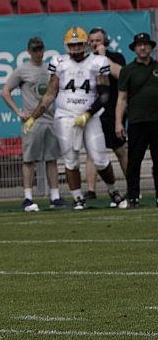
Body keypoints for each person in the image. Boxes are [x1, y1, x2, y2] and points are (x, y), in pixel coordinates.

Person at [33, 27, 118, 210]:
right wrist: (34, 116)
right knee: (70, 160)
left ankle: (113, 191)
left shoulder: (98, 62)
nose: (76, 48)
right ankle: (78, 197)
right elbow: (50, 93)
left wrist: (88, 113)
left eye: (79, 44)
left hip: (90, 116)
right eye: (72, 45)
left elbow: (104, 94)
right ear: (66, 45)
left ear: (85, 44)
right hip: (66, 115)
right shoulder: (59, 62)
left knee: (100, 158)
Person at [0, 35, 63, 211]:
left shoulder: (49, 69)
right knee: (29, 159)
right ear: (29, 51)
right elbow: (5, 91)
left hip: (49, 118)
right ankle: (28, 196)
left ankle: (55, 195)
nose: (38, 53)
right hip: (32, 120)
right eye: (35, 50)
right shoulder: (22, 70)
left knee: (51, 158)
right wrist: (18, 112)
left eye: (40, 49)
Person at [114, 31, 157, 208]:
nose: (143, 48)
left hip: (156, 120)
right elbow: (122, 98)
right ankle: (133, 196)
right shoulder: (128, 70)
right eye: (139, 45)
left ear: (151, 47)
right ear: (134, 48)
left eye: (145, 44)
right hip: (137, 121)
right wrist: (118, 122)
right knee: (134, 161)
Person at [86, 28, 128, 202]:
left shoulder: (115, 57)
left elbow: (120, 74)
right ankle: (91, 191)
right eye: (92, 41)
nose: (95, 44)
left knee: (120, 149)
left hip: (113, 110)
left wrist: (104, 58)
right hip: (95, 110)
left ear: (105, 42)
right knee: (92, 151)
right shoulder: (86, 60)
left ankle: (132, 186)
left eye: (98, 40)